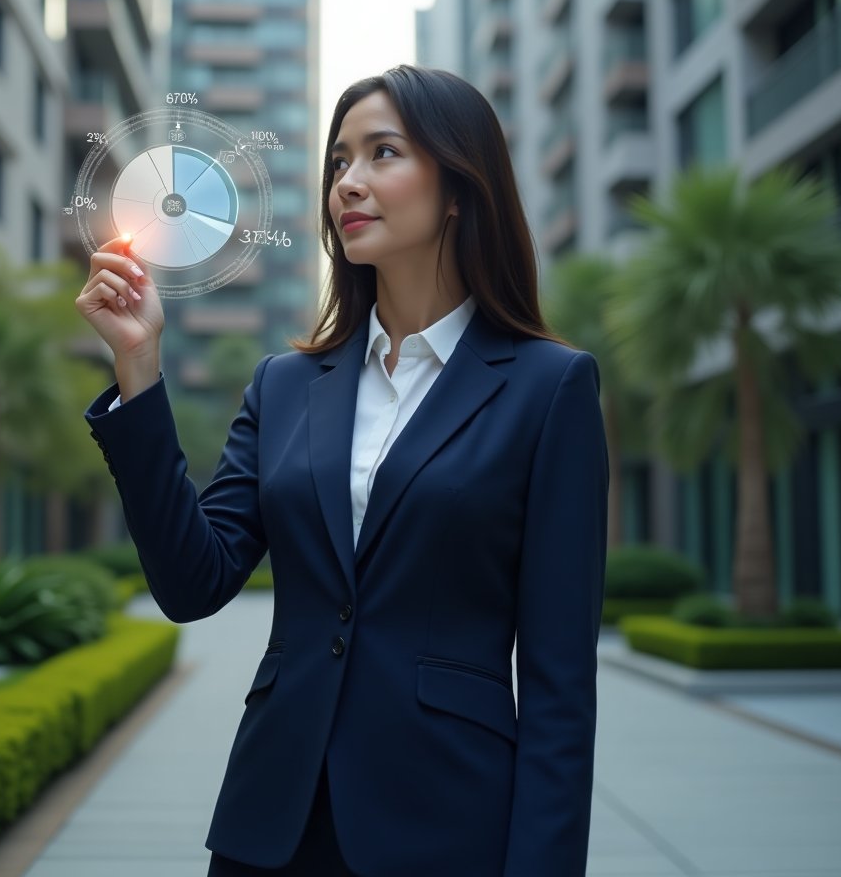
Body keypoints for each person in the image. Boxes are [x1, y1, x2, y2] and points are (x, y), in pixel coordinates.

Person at [77, 65, 609, 877]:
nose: (349, 184)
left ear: (460, 187)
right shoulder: (285, 386)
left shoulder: (548, 388)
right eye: (338, 163)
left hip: (447, 825)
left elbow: (559, 685)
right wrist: (138, 367)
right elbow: (194, 582)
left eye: (382, 154)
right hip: (272, 825)